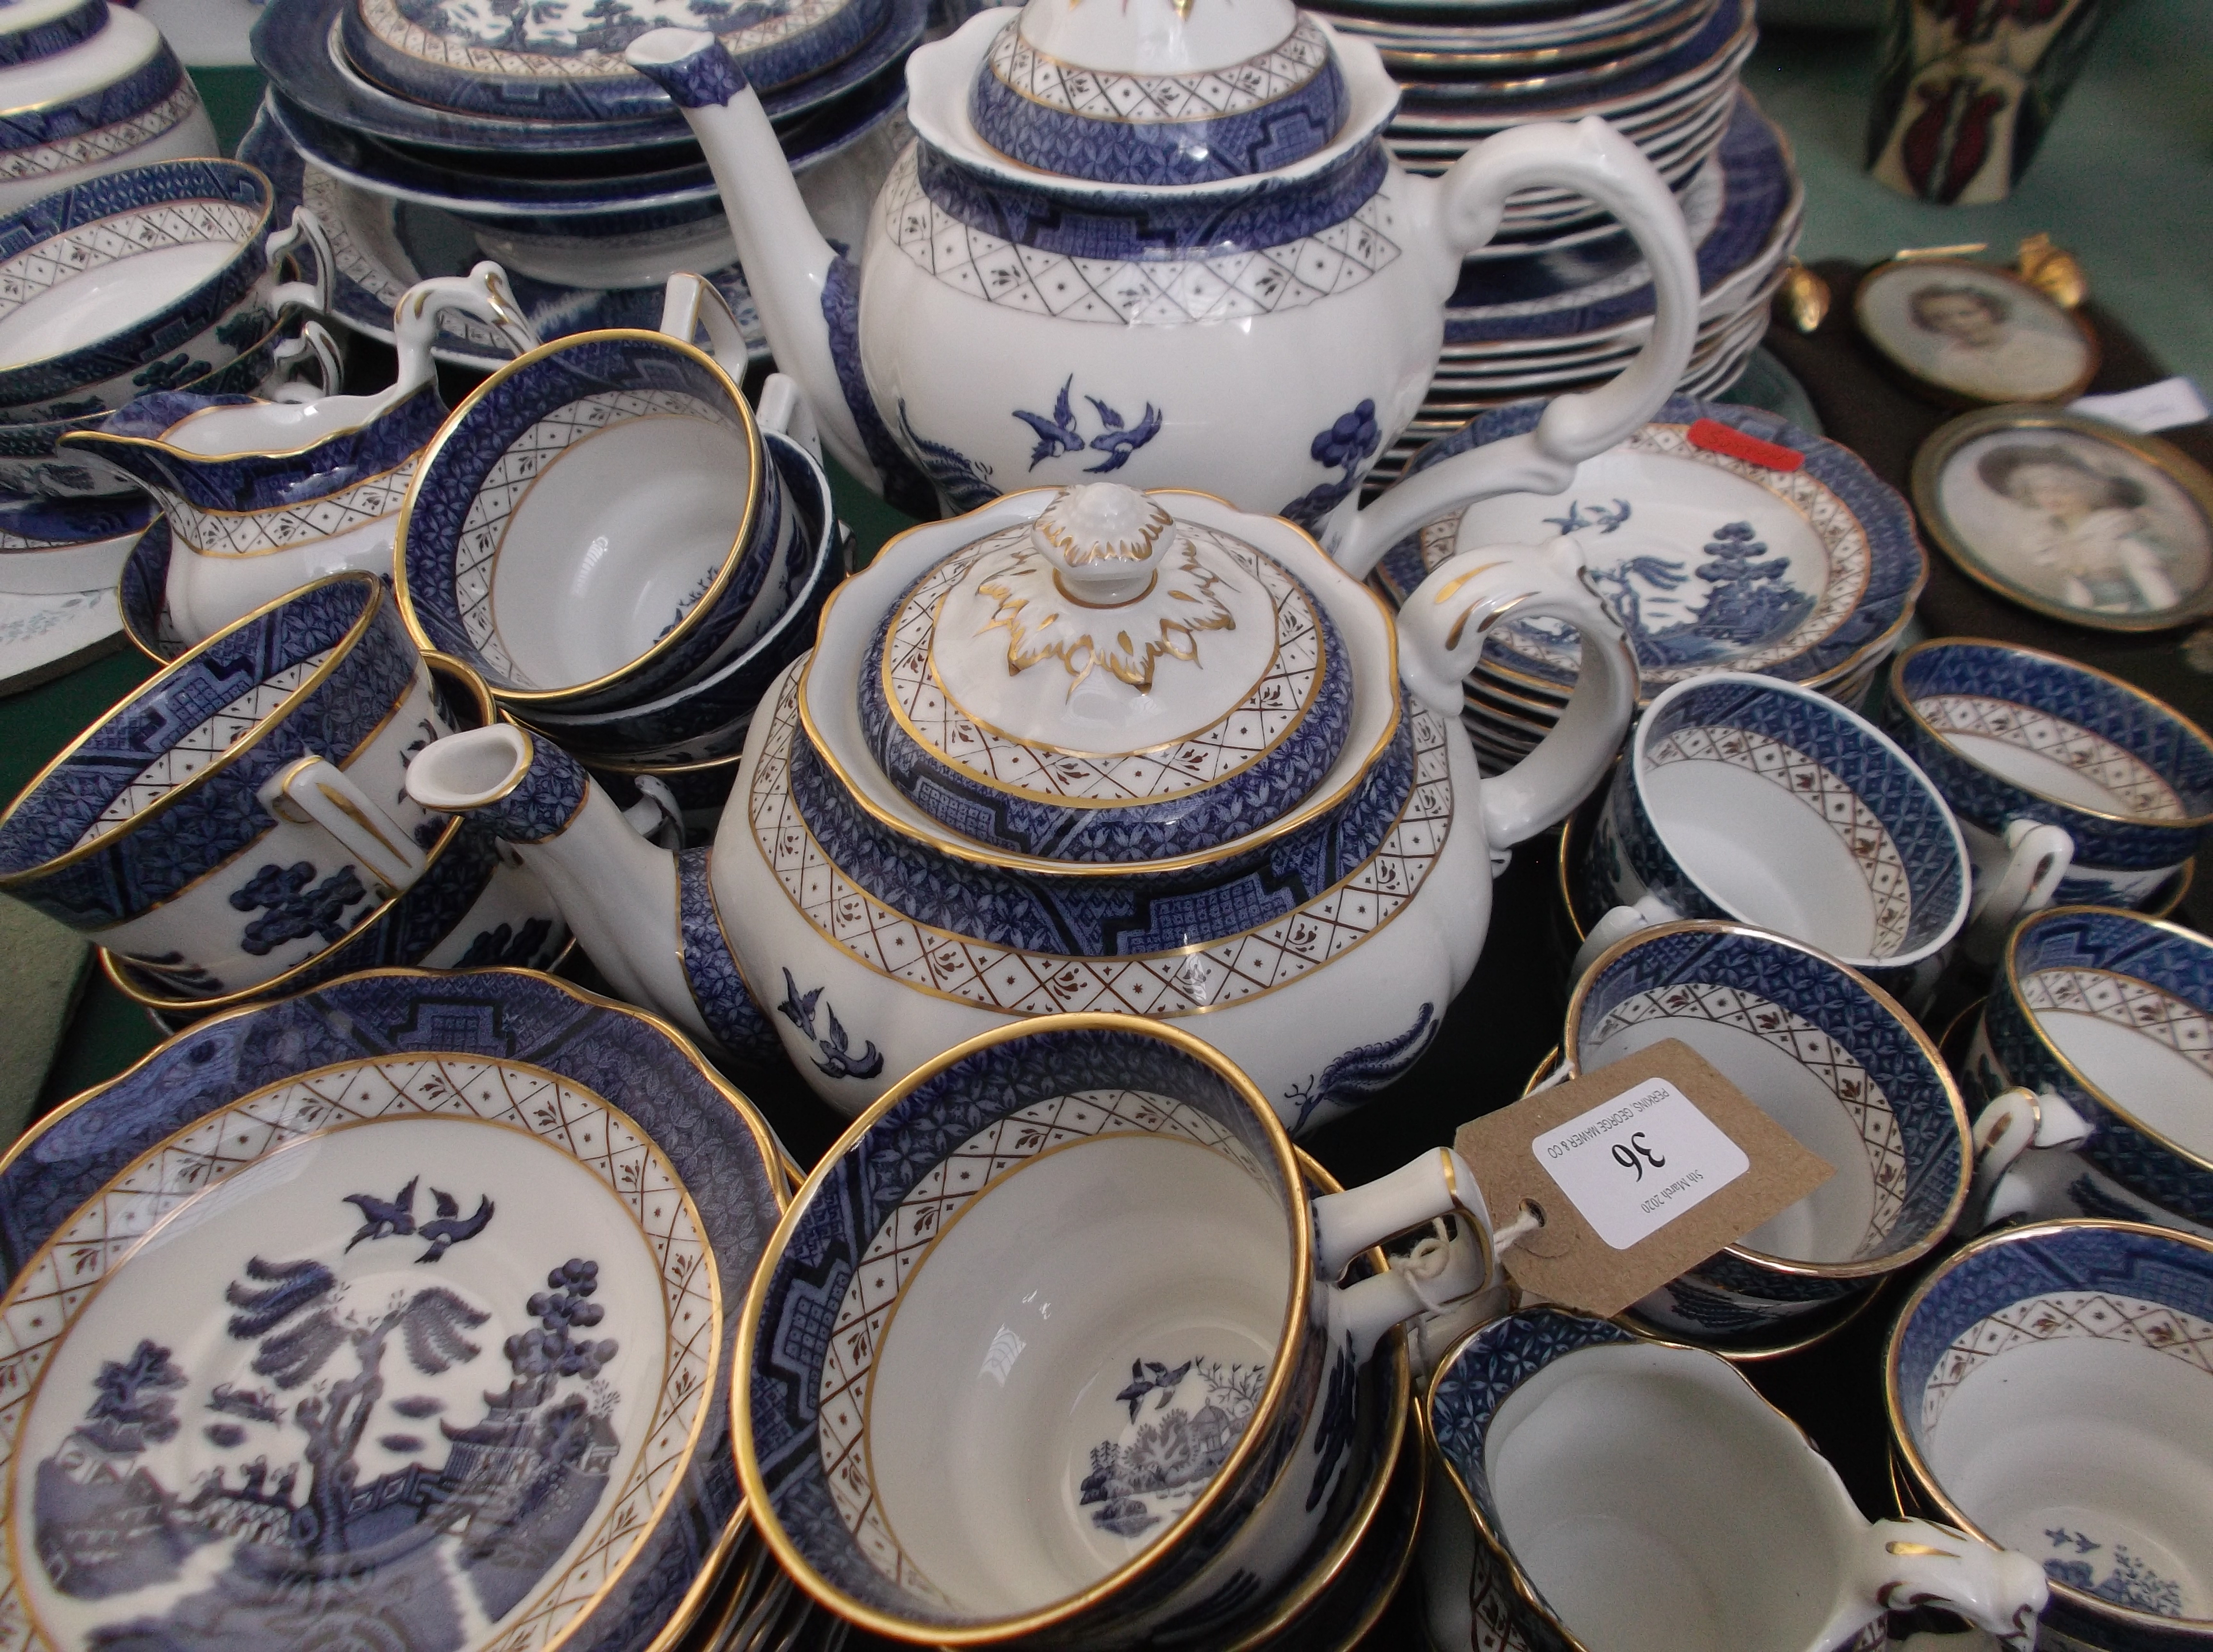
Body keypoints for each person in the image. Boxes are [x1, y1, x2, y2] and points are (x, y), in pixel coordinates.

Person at [1976, 442, 2182, 614]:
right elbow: (2079, 591)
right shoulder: (2055, 537)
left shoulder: (2116, 532)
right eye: (2041, 490)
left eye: (2062, 489)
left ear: (2086, 489)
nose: (2051, 498)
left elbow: (2160, 596)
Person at [1908, 282, 2083, 399]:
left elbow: (2072, 370)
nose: (1956, 323)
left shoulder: (2037, 342)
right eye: (1941, 319)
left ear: (1990, 311)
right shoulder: (1952, 360)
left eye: (1967, 314)